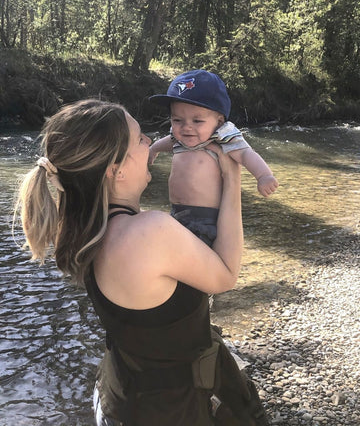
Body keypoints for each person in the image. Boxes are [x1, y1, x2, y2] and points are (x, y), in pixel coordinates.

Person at [15, 99, 269, 425]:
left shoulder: (79, 227)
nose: (150, 140)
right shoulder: (150, 232)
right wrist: (231, 177)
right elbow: (226, 275)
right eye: (139, 139)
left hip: (121, 394)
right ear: (115, 169)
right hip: (171, 409)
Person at [149, 69, 278, 247]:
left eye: (197, 121)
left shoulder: (221, 137)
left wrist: (263, 175)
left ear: (219, 121)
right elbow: (168, 142)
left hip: (205, 219)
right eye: (177, 120)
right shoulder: (178, 138)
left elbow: (245, 153)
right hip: (176, 213)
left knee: (195, 261)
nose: (186, 127)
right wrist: (153, 150)